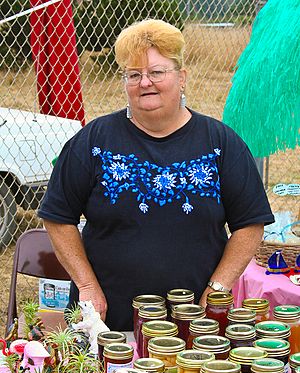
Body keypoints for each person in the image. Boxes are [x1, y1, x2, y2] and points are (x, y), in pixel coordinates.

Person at [38, 19, 274, 331]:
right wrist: (87, 286)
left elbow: (250, 224)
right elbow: (57, 215)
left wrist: (216, 291)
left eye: (156, 72)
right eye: (134, 74)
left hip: (194, 323)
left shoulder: (221, 143)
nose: (145, 82)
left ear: (182, 77)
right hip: (107, 322)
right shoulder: (93, 140)